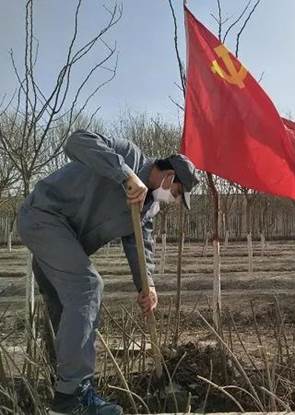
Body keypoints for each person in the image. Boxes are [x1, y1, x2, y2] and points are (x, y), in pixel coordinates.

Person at [18, 130, 199, 415]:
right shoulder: (126, 154)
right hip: (44, 216)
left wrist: (147, 285)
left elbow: (141, 247)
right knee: (88, 287)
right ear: (169, 175)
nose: (173, 199)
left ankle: (61, 388)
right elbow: (76, 142)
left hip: (67, 241)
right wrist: (124, 175)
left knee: (64, 312)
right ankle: (72, 400)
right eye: (176, 192)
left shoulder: (148, 209)